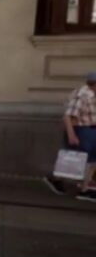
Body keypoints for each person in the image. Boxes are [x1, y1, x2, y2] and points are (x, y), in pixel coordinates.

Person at [44, 71, 96, 202]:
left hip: (91, 129)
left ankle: (84, 190)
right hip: (81, 129)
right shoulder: (82, 95)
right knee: (75, 160)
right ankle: (56, 179)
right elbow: (68, 116)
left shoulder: (93, 95)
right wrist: (71, 135)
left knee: (92, 161)